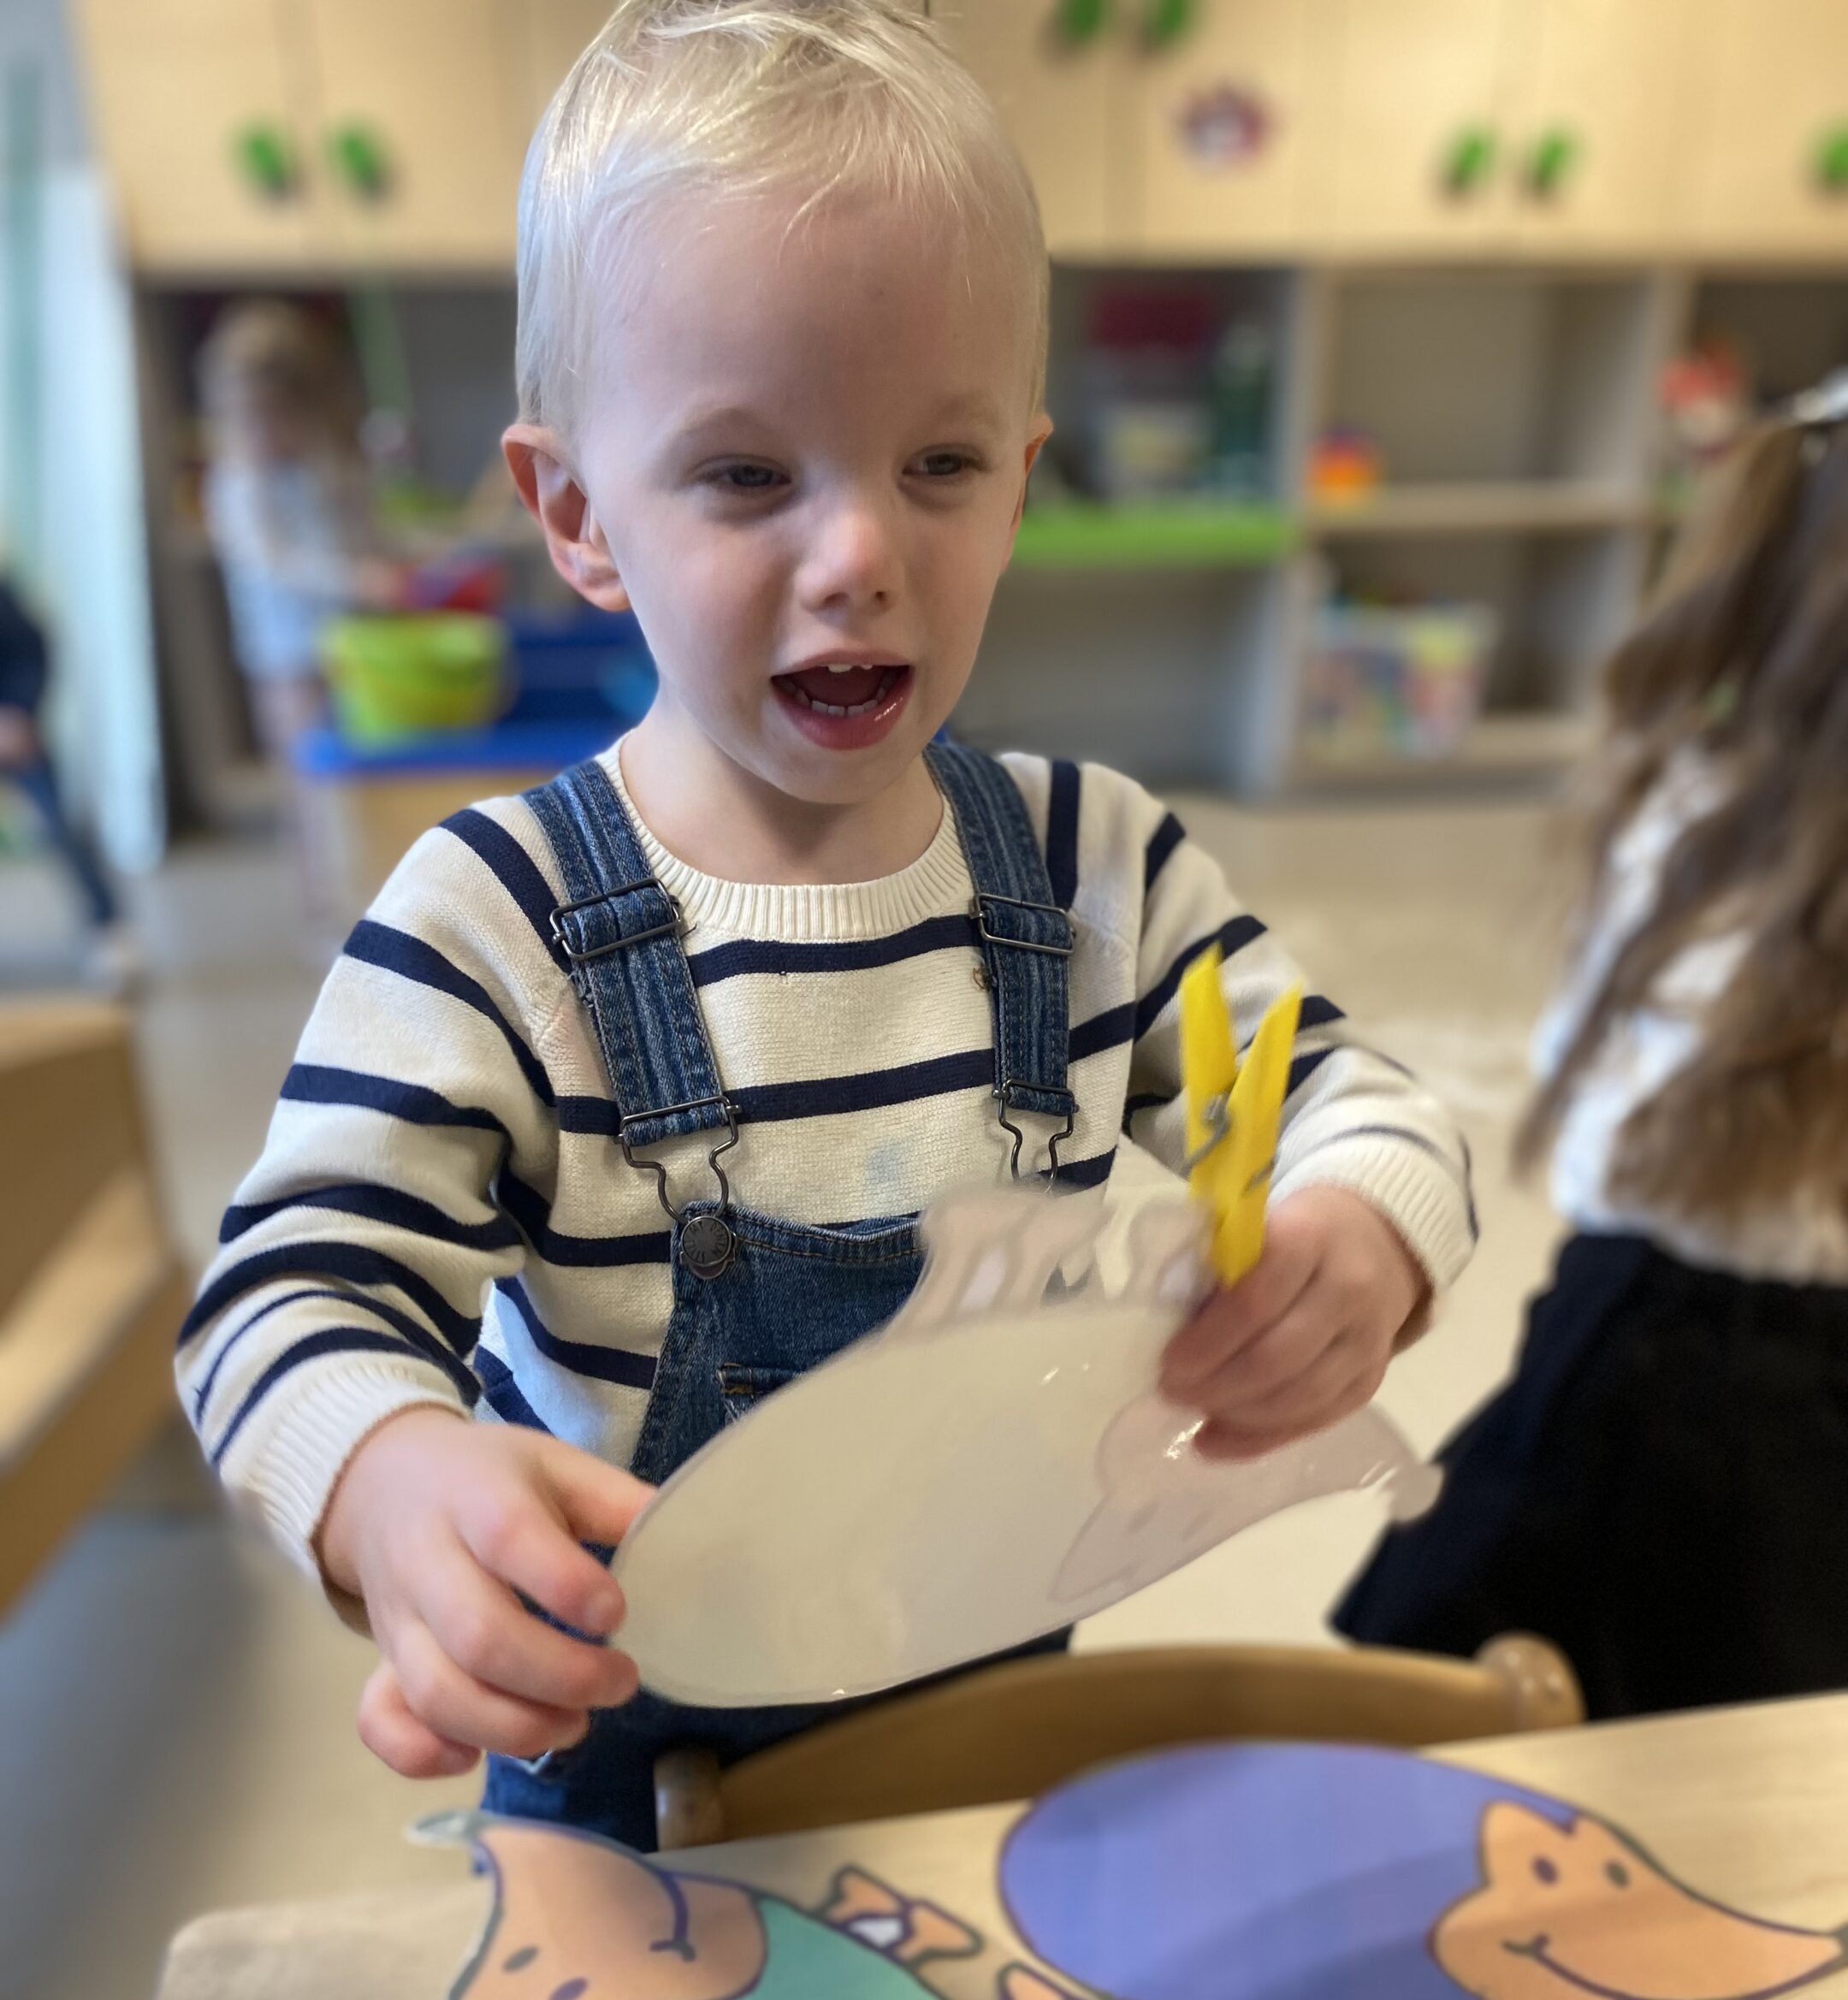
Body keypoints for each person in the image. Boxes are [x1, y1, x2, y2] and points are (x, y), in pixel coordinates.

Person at [176, 0, 1476, 1848]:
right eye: (746, 475)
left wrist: (1363, 1234)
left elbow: (1358, 1097)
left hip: (988, 1737)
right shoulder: (495, 921)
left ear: (1021, 481)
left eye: (939, 465)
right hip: (631, 1786)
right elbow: (286, 1288)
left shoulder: (1094, 869)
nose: (861, 554)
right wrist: (385, 1476)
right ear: (578, 514)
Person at [1340, 382, 1848, 1720]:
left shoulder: (1689, 806)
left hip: (1648, 1340)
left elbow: (1589, 1138)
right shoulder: (1711, 825)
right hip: (1698, 1383)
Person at [198, 299, 398, 763]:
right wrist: (356, 579)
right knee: (306, 764)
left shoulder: (322, 466)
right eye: (246, 420)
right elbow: (273, 562)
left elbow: (359, 530)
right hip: (286, 653)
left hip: (352, 637)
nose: (262, 435)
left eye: (276, 417)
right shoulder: (238, 483)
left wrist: (390, 560)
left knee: (356, 759)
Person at [0, 571, 137, 985]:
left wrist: (19, 712)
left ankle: (108, 928)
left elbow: (31, 649)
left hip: (12, 726)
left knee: (61, 825)